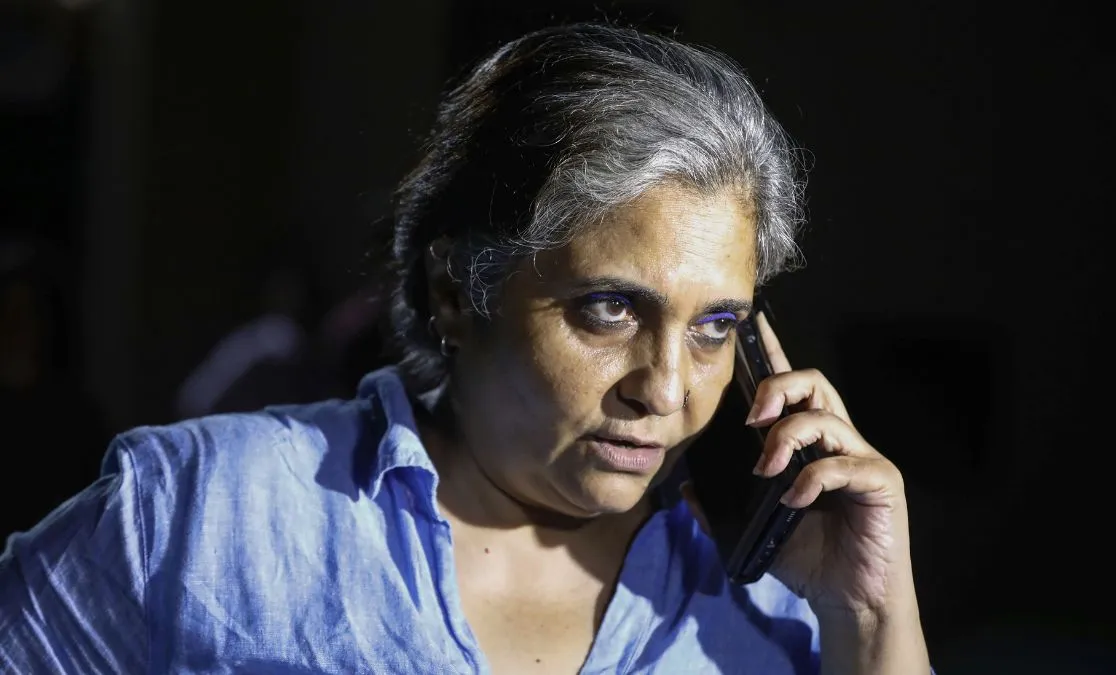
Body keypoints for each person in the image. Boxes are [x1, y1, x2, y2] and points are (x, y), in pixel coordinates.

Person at [0, 23, 932, 674]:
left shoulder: (780, 614)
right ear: (457, 292)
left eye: (715, 326)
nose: (667, 386)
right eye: (610, 309)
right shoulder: (201, 515)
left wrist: (871, 617)